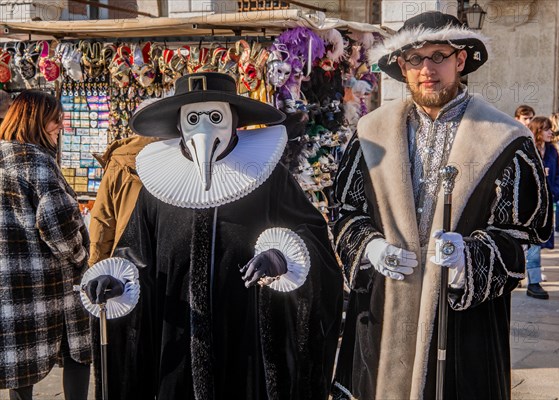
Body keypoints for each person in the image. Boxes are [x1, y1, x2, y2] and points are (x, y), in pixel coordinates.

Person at [330, 12, 552, 400]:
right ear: (401, 65)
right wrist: (369, 247)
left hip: (464, 324)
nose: (427, 69)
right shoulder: (370, 133)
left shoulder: (505, 138)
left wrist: (469, 257)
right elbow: (346, 212)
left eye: (439, 56)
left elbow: (519, 235)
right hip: (384, 313)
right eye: (415, 59)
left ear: (460, 60)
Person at [81, 72, 343, 400]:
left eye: (215, 117)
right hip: (175, 337)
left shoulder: (267, 176)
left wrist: (283, 254)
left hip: (247, 336)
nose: (203, 128)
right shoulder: (158, 187)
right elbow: (135, 248)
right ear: (179, 124)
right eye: (193, 118)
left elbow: (311, 233)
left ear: (234, 121)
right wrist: (117, 279)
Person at [0, 90, 91, 400]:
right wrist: (80, 257)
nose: (60, 126)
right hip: (52, 284)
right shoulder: (37, 161)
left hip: (9, 282)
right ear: (36, 120)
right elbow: (58, 225)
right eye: (56, 119)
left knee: (19, 363)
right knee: (78, 352)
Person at [88, 99, 160, 266]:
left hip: (125, 261)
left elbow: (103, 220)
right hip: (168, 263)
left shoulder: (119, 160)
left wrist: (95, 267)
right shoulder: (183, 158)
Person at [524, 117, 559, 300]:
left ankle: (528, 277)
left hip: (547, 204)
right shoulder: (527, 150)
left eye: (551, 129)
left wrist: (555, 190)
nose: (550, 132)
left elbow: (557, 174)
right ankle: (533, 283)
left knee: (537, 243)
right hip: (530, 205)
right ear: (538, 131)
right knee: (533, 245)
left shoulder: (552, 151)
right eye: (546, 129)